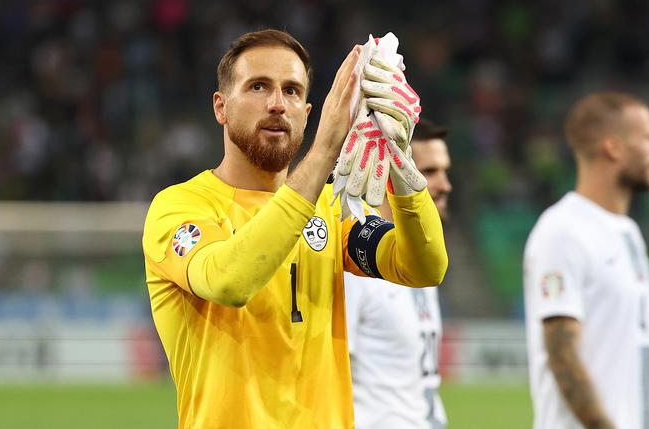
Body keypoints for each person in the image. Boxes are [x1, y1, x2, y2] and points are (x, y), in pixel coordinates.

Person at [141, 29, 448, 428]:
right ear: (221, 107)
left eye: (291, 91)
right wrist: (324, 151)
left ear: (306, 112)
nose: (276, 104)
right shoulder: (180, 207)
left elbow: (423, 267)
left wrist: (402, 166)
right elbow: (229, 282)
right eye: (257, 87)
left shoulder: (331, 212)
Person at [523, 92, 649, 429]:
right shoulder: (562, 232)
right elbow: (563, 355)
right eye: (648, 137)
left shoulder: (628, 232)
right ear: (613, 148)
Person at [345, 118, 452, 429]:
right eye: (430, 172)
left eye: (444, 171)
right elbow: (326, 371)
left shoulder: (422, 267)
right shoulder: (357, 263)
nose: (445, 184)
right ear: (395, 175)